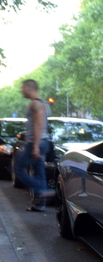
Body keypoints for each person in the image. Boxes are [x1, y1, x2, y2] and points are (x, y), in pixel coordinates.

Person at [16, 79, 51, 212]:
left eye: (23, 88)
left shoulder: (36, 104)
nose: (21, 90)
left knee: (18, 170)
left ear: (30, 88)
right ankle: (40, 205)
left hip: (35, 143)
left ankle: (44, 190)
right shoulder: (43, 103)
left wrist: (35, 146)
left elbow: (38, 124)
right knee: (39, 174)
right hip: (42, 142)